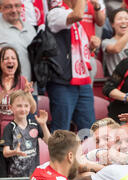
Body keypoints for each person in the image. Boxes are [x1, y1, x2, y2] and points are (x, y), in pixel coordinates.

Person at [0, 46, 36, 179]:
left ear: (17, 62)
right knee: (0, 177)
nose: (10, 61)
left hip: (17, 135)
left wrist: (28, 94)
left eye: (13, 58)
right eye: (6, 58)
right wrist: (3, 93)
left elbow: (32, 110)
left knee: (17, 178)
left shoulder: (22, 81)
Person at [45, 0, 96, 132]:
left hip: (82, 80)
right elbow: (78, 15)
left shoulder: (71, 16)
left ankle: (87, 153)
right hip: (62, 82)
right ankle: (58, 154)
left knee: (89, 128)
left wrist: (91, 46)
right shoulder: (55, 12)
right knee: (61, 130)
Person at [1, 90, 50, 180]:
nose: (23, 109)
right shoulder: (9, 128)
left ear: (30, 107)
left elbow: (49, 141)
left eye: (26, 106)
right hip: (16, 179)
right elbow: (5, 152)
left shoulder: (34, 124)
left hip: (34, 178)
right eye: (18, 106)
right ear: (11, 107)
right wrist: (15, 152)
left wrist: (43, 124)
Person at [0, 0, 37, 97]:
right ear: (0, 8)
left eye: (17, 6)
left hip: (29, 90)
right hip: (5, 92)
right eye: (8, 7)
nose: (14, 10)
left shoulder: (30, 28)